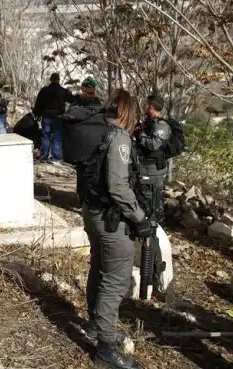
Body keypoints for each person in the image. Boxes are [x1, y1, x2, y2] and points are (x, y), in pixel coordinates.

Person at [80, 89, 147, 369]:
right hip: (111, 218)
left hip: (92, 212)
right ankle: (106, 348)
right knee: (114, 282)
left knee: (98, 268)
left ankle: (97, 326)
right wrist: (140, 217)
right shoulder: (118, 138)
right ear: (128, 113)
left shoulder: (98, 130)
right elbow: (117, 186)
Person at [135, 93, 171, 222]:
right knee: (144, 199)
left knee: (154, 203)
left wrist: (140, 134)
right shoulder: (149, 123)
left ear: (151, 106)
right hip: (145, 168)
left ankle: (156, 229)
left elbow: (154, 144)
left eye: (145, 104)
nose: (143, 106)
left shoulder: (161, 125)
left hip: (154, 170)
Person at [32, 72, 73, 162]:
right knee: (57, 136)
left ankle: (44, 156)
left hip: (46, 116)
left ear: (50, 79)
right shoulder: (63, 91)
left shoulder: (44, 90)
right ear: (58, 80)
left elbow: (38, 103)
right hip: (58, 116)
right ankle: (55, 157)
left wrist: (36, 113)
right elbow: (72, 100)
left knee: (45, 135)